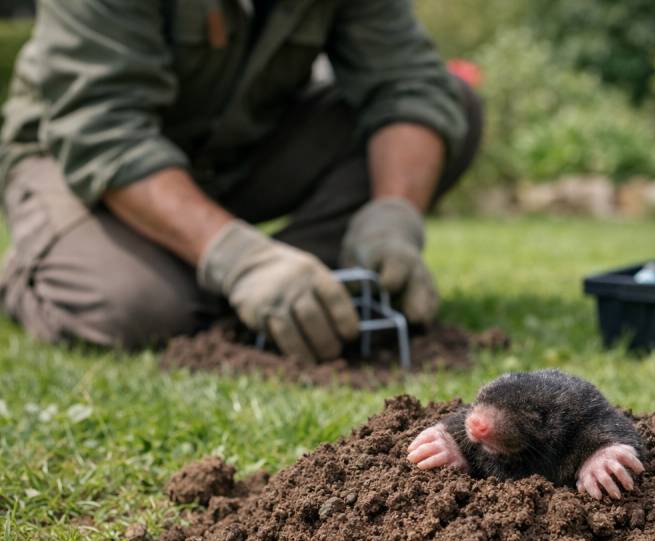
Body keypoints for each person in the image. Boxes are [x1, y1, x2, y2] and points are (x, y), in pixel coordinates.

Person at [0, 0, 481, 362]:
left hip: (240, 149)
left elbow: (407, 84)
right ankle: (39, 269)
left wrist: (394, 211)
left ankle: (284, 281)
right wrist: (239, 258)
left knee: (450, 111)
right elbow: (103, 129)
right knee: (141, 309)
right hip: (74, 156)